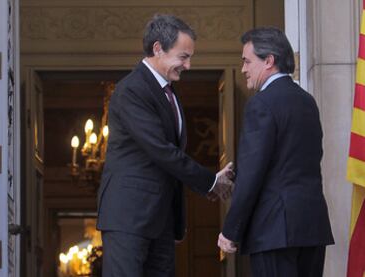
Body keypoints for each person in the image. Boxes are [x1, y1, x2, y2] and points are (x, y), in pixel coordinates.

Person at [96, 14, 233, 277]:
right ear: (158, 48)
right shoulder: (132, 90)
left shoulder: (167, 92)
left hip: (160, 220)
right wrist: (209, 181)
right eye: (183, 57)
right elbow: (160, 149)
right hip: (129, 217)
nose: (188, 65)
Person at [218, 27, 334, 276]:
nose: (243, 69)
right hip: (312, 229)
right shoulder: (307, 101)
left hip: (274, 231)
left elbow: (253, 173)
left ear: (269, 61)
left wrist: (230, 230)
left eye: (247, 61)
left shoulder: (261, 103)